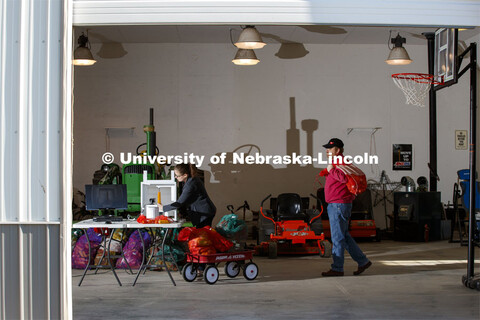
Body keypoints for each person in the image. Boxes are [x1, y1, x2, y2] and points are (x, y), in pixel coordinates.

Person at [320, 138, 372, 277]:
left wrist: (331, 171)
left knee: (337, 238)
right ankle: (363, 261)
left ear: (337, 150)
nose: (327, 150)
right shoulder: (338, 163)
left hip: (338, 205)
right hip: (338, 204)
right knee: (344, 236)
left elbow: (344, 179)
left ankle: (337, 268)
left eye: (329, 148)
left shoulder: (340, 162)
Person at [158, 163, 216, 228]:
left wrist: (163, 208)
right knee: (203, 234)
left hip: (204, 213)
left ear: (185, 175)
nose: (175, 177)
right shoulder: (191, 180)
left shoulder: (190, 185)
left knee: (203, 234)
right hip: (204, 211)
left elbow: (180, 202)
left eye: (177, 176)